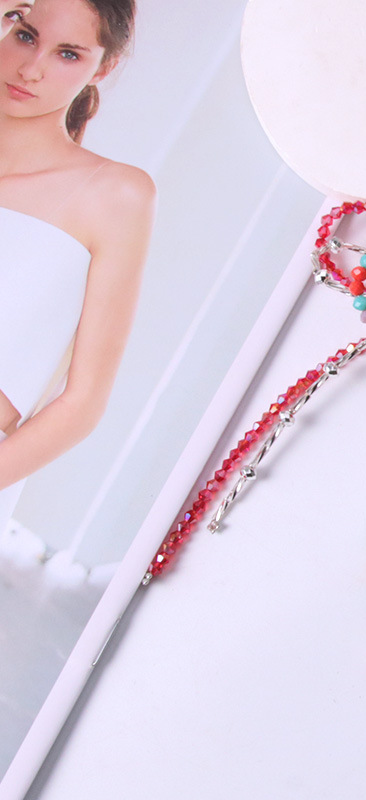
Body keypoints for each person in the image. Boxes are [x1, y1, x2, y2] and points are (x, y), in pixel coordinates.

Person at [0, 0, 155, 528]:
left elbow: (83, 403)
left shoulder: (114, 195)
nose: (32, 69)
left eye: (68, 53)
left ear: (103, 67)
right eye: (24, 34)